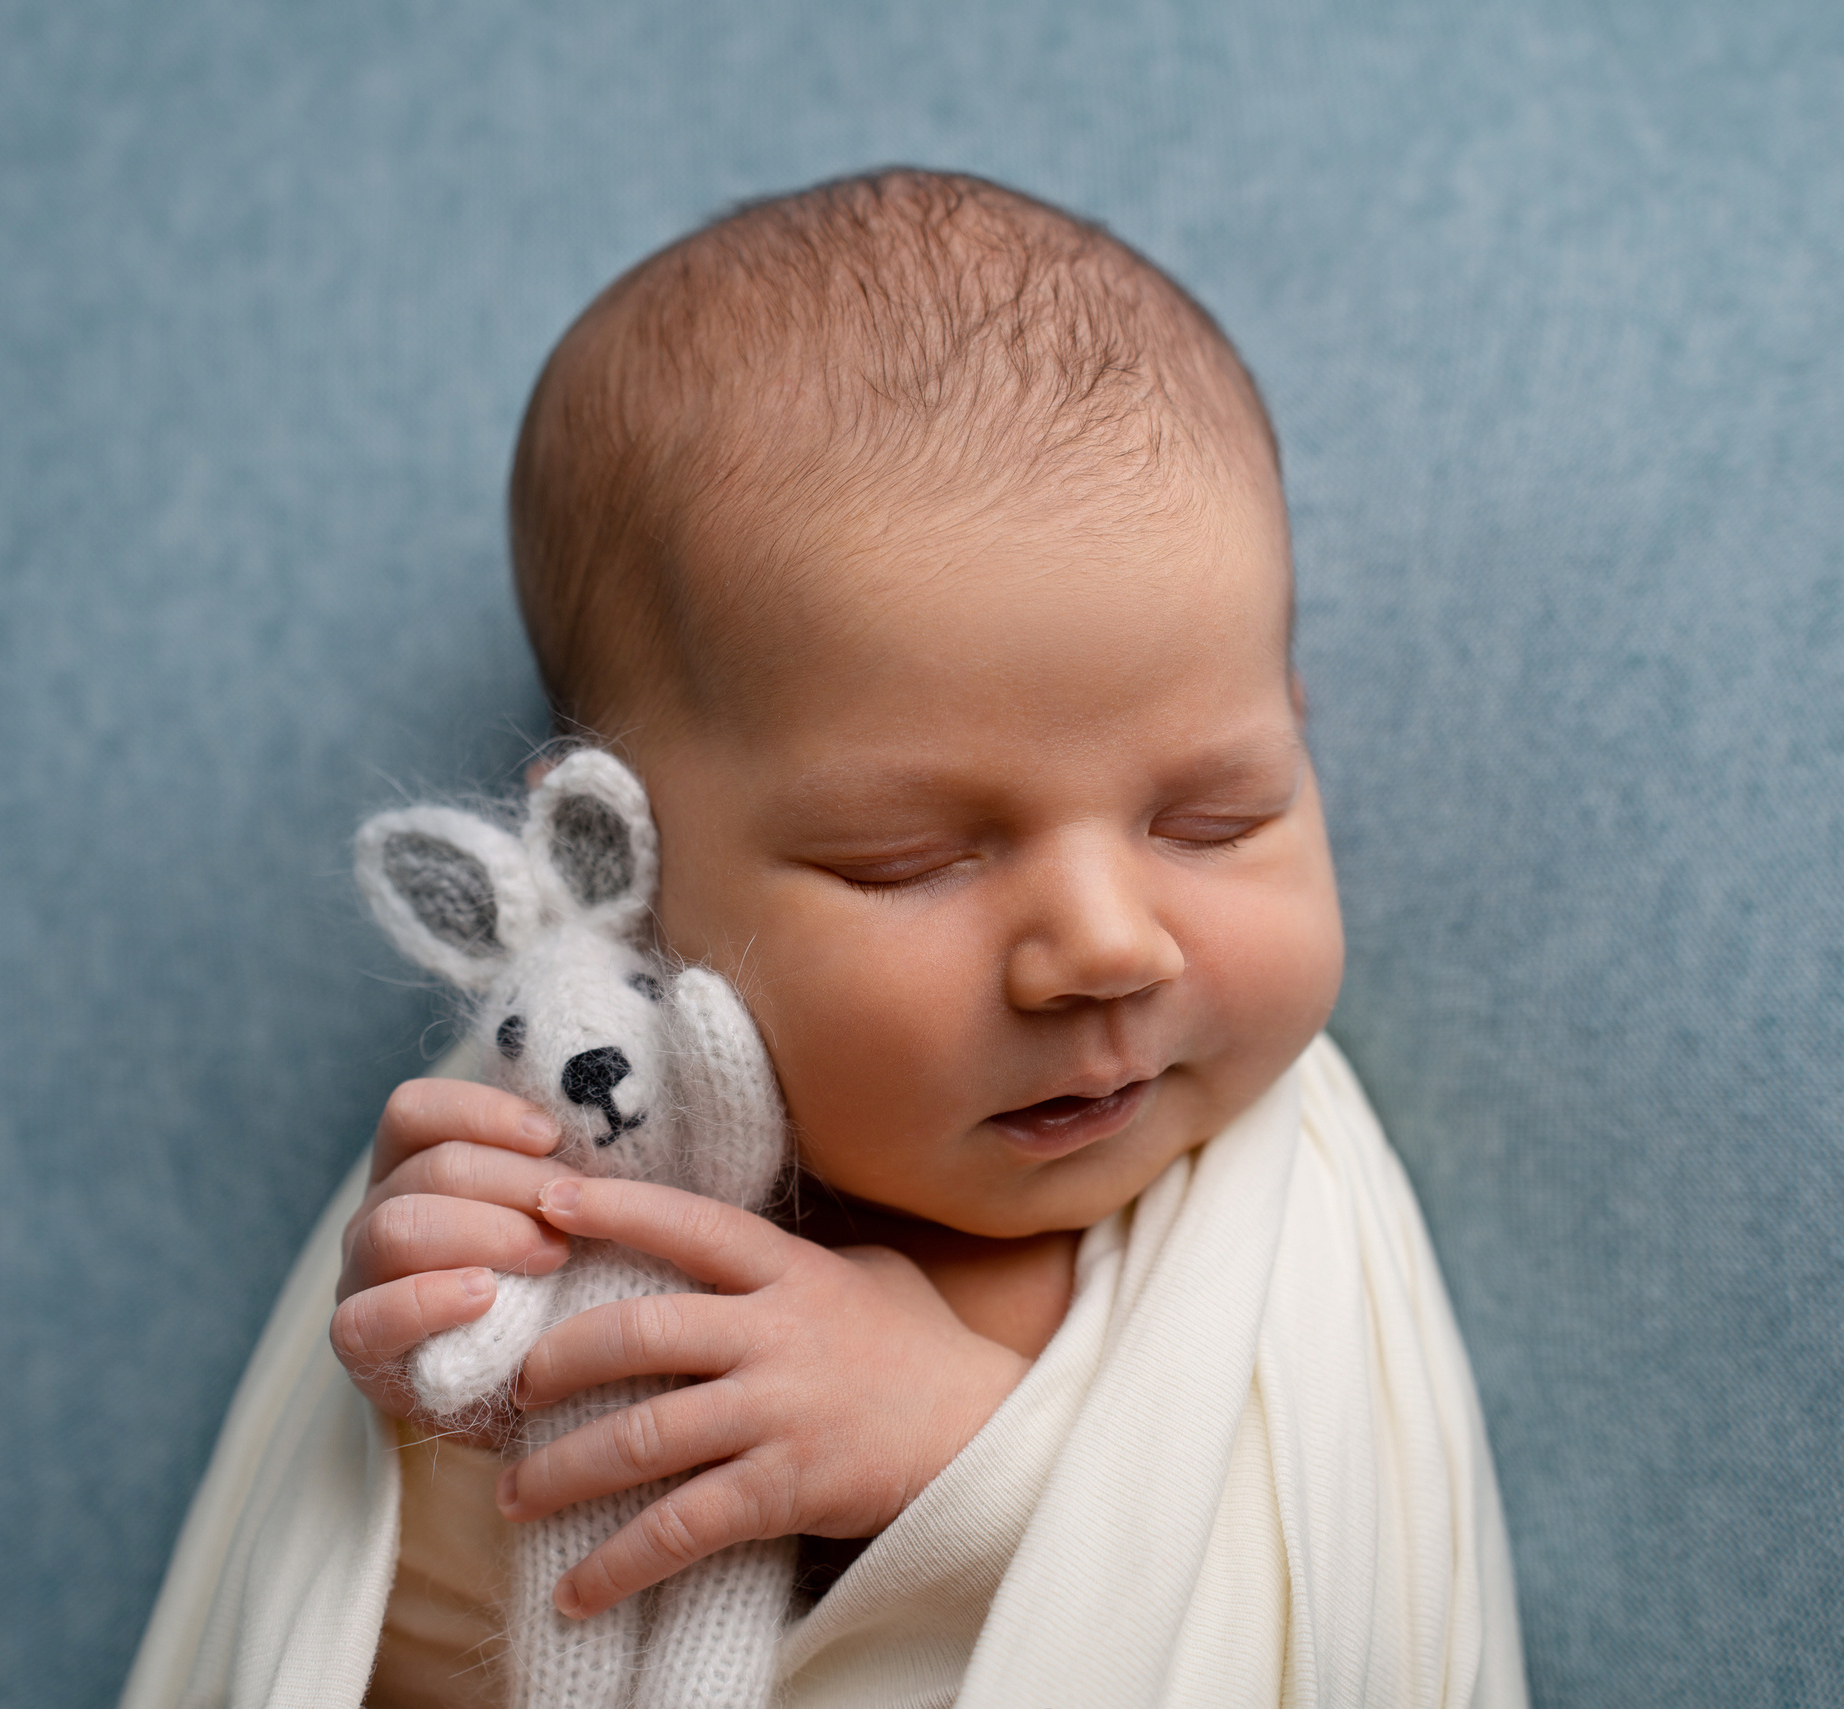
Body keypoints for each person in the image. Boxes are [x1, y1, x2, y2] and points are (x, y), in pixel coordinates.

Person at [122, 168, 1526, 1709]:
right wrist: (444, 1426)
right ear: (625, 868)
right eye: (907, 859)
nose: (1108, 947)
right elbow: (385, 1662)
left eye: (1217, 816)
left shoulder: (1277, 1233)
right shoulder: (563, 1151)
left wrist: (969, 1456)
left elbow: (1321, 1614)